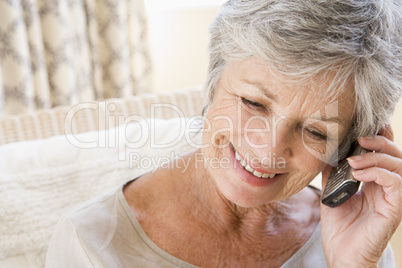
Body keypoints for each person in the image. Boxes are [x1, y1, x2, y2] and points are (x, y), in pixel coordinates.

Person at [46, 0, 402, 267]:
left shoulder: (353, 230)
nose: (268, 149)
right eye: (253, 103)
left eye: (314, 131)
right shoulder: (92, 244)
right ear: (213, 85)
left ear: (350, 147)